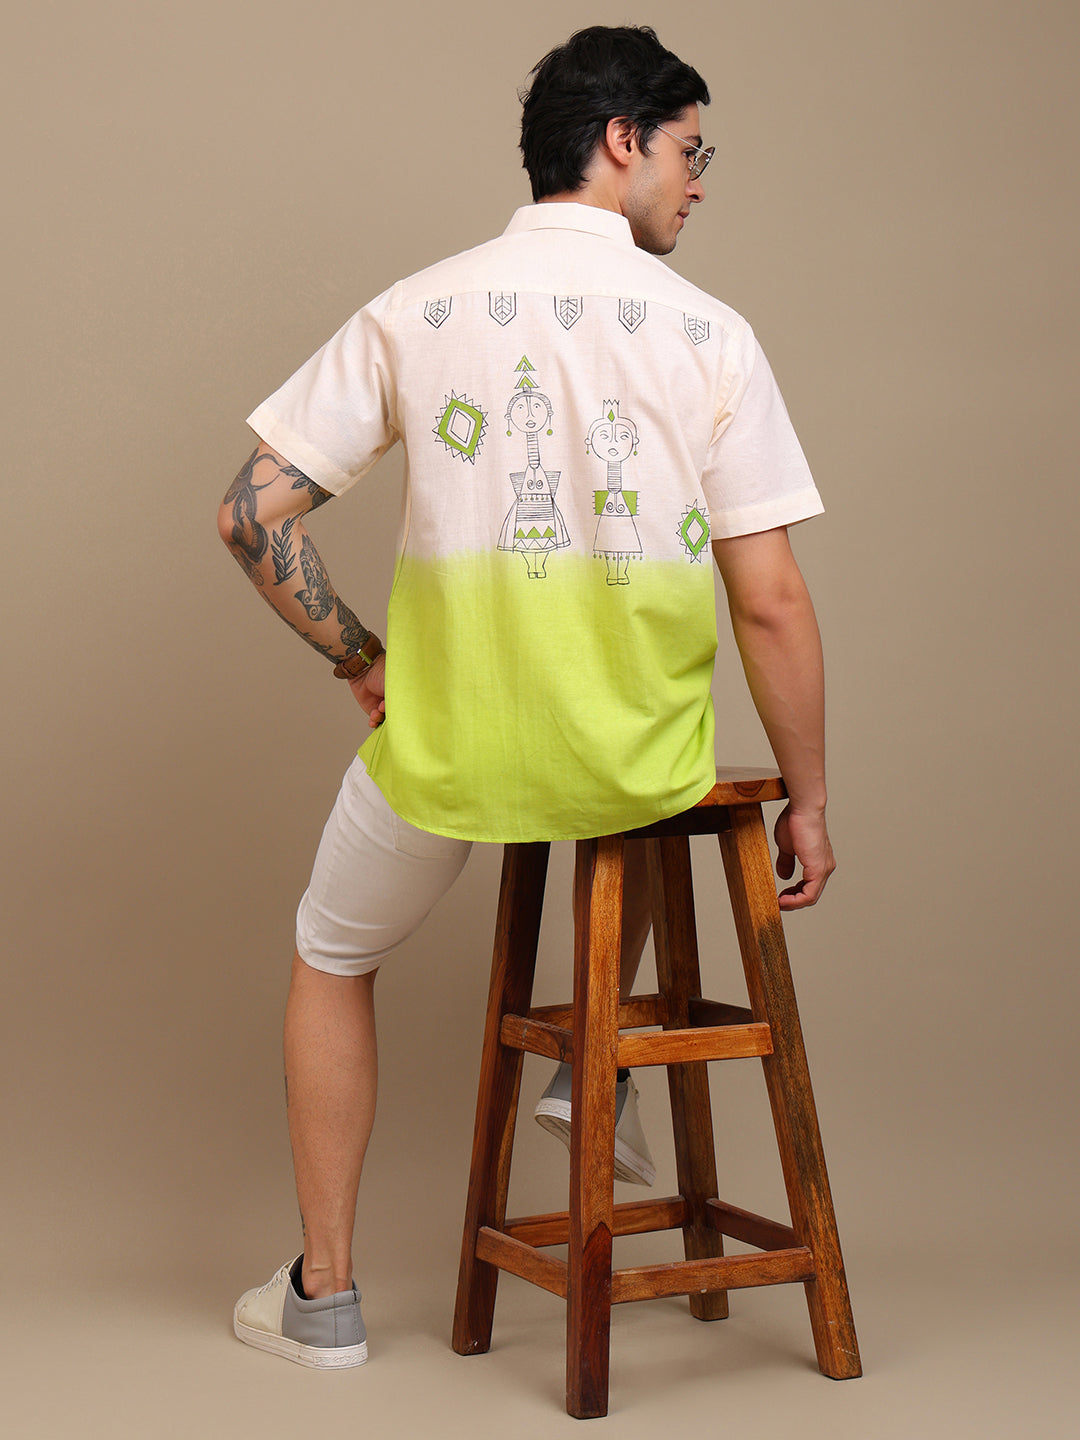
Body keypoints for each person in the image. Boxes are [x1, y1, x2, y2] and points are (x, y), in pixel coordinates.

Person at [222, 24, 835, 1370]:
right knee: (632, 778)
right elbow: (772, 599)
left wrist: (363, 663)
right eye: (689, 150)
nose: (697, 179)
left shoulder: (416, 308)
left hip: (452, 758)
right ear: (622, 141)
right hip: (640, 768)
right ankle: (587, 1059)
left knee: (333, 953)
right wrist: (811, 799)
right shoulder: (713, 336)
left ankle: (323, 1297)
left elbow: (250, 516)